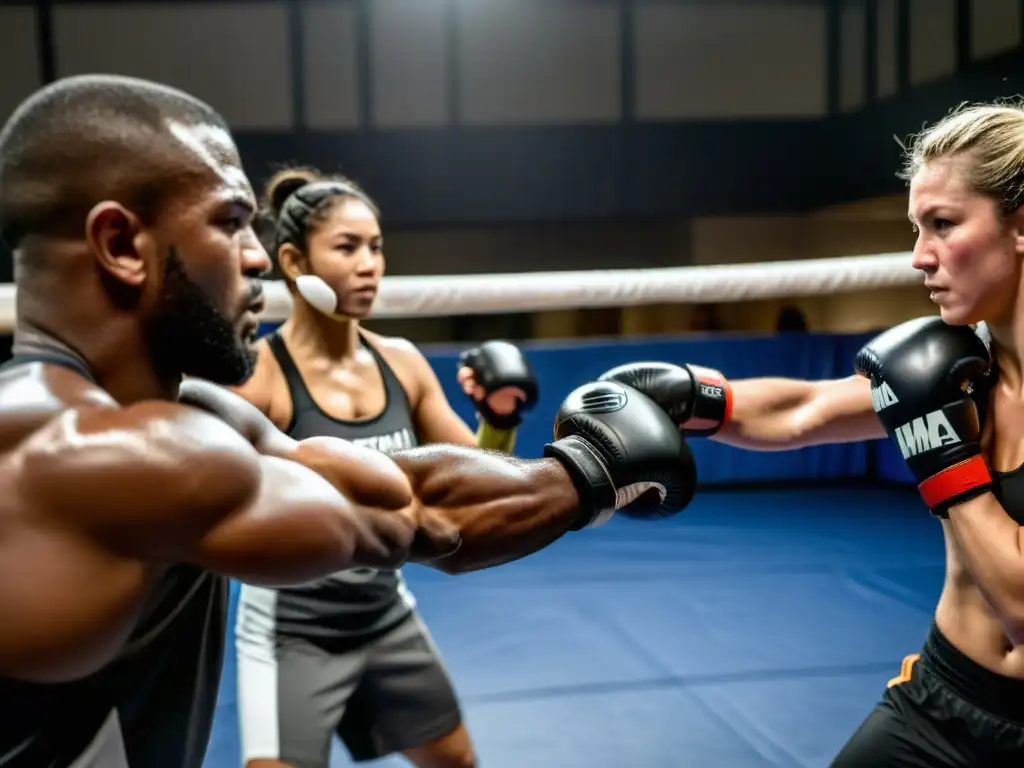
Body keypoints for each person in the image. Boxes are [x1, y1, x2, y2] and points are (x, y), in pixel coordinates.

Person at [0, 74, 697, 768]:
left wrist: (567, 467)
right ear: (122, 245)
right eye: (229, 221)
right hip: (294, 633)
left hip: (381, 614)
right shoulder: (76, 451)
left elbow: (403, 496)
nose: (256, 256)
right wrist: (595, 468)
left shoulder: (194, 415)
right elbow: (416, 517)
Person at [600, 100, 1024, 765]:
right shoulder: (961, 370)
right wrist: (696, 398)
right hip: (942, 698)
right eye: (916, 228)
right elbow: (806, 409)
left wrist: (941, 453)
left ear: (1021, 225)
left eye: (943, 225)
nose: (919, 257)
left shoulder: (943, 397)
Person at [226, 166, 537, 768]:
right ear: (293, 261)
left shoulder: (402, 362)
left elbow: (479, 485)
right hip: (292, 632)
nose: (369, 264)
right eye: (347, 247)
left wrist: (498, 417)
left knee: (458, 763)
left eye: (376, 247)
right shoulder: (261, 375)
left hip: (384, 615)